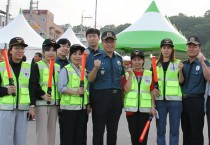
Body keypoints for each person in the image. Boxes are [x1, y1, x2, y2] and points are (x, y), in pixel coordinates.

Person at [87, 31, 125, 145]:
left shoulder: (119, 58)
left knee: (113, 131)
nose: (109, 44)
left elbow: (122, 77)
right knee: (98, 130)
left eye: (112, 41)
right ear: (102, 43)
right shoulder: (94, 57)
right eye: (106, 41)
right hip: (100, 97)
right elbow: (90, 79)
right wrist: (95, 68)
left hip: (116, 97)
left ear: (115, 43)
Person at [0, 37, 34, 145]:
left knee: (20, 140)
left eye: (22, 48)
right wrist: (5, 90)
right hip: (6, 109)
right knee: (5, 140)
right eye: (16, 48)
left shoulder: (29, 67)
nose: (19, 51)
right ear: (10, 50)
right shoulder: (1, 67)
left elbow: (32, 88)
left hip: (23, 110)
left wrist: (32, 107)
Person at [29, 38, 60, 145]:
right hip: (42, 104)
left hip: (54, 104)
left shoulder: (58, 67)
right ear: (43, 52)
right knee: (42, 133)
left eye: (53, 50)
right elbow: (33, 85)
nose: (51, 53)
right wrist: (42, 95)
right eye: (48, 50)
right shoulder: (37, 65)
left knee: (52, 132)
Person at [180, 36, 210, 145]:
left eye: (194, 46)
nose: (191, 49)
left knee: (196, 132)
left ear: (199, 48)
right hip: (184, 101)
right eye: (189, 46)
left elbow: (209, 77)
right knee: (186, 132)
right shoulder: (184, 64)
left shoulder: (205, 63)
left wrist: (202, 62)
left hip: (197, 101)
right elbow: (181, 82)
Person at [123, 50, 156, 145]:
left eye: (139, 59)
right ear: (131, 61)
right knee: (134, 137)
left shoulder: (149, 74)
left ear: (143, 61)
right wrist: (130, 76)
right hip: (131, 110)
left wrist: (153, 107)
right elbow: (126, 90)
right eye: (134, 60)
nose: (137, 62)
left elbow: (152, 92)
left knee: (143, 137)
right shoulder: (126, 74)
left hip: (145, 111)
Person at [154, 38, 183, 145]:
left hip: (175, 102)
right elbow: (151, 85)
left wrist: (180, 71)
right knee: (160, 131)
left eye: (169, 48)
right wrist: (153, 90)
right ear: (161, 49)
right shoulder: (155, 65)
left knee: (174, 131)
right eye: (164, 48)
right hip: (160, 101)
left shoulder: (178, 63)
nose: (166, 50)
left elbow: (182, 81)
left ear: (172, 50)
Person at [58, 44, 88, 145]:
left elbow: (87, 89)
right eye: (74, 54)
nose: (77, 56)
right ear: (70, 56)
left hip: (82, 109)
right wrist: (75, 92)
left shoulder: (83, 70)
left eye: (80, 54)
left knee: (80, 136)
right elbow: (61, 87)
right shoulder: (65, 69)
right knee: (68, 136)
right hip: (69, 110)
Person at [84, 28, 101, 145]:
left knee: (98, 125)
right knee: (82, 124)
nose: (92, 38)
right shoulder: (83, 54)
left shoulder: (104, 53)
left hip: (100, 93)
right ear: (86, 38)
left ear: (99, 38)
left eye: (94, 36)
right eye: (89, 36)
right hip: (85, 92)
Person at [56, 38, 71, 145]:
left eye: (67, 46)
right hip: (52, 100)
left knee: (66, 129)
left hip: (66, 101)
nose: (65, 48)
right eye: (63, 46)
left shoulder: (70, 63)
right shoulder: (52, 62)